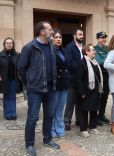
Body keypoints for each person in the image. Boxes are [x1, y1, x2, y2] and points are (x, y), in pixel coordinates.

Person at [18, 21, 59, 156]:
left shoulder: (52, 46)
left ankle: (47, 139)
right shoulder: (29, 47)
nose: (52, 32)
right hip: (35, 89)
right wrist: (29, 83)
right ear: (42, 32)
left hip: (50, 88)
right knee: (32, 118)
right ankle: (29, 144)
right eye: (50, 29)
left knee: (49, 115)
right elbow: (21, 69)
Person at [76, 44, 102, 137]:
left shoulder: (95, 62)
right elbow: (78, 79)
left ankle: (92, 127)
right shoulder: (82, 62)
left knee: (94, 109)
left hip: (95, 90)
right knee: (84, 110)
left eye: (94, 50)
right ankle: (83, 129)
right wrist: (82, 92)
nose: (94, 51)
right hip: (86, 91)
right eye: (92, 50)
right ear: (87, 52)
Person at [63, 29, 84, 131]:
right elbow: (69, 63)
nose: (81, 36)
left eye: (82, 34)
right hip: (72, 79)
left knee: (80, 101)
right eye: (79, 34)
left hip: (81, 79)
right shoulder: (69, 47)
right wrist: (82, 67)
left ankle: (79, 120)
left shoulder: (83, 47)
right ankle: (67, 121)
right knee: (70, 102)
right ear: (74, 35)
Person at [51, 29, 70, 139]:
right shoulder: (49, 51)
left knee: (60, 108)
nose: (58, 39)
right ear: (52, 39)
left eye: (60, 37)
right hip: (54, 84)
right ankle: (51, 129)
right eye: (56, 37)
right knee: (52, 108)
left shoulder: (64, 51)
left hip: (64, 84)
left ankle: (59, 128)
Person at [0, 37, 22, 120]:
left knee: (12, 97)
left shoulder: (17, 55)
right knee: (6, 97)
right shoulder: (0, 55)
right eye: (7, 43)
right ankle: (7, 114)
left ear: (13, 45)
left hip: (14, 80)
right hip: (4, 80)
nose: (9, 44)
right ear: (4, 45)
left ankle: (13, 113)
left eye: (10, 43)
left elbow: (20, 67)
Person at [94, 31, 110, 126]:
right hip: (99, 75)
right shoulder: (95, 49)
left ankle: (101, 114)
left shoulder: (108, 49)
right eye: (102, 37)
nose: (104, 39)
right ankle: (95, 116)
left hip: (107, 75)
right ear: (98, 39)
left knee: (105, 95)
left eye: (105, 37)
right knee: (97, 96)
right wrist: (108, 60)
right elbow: (99, 62)